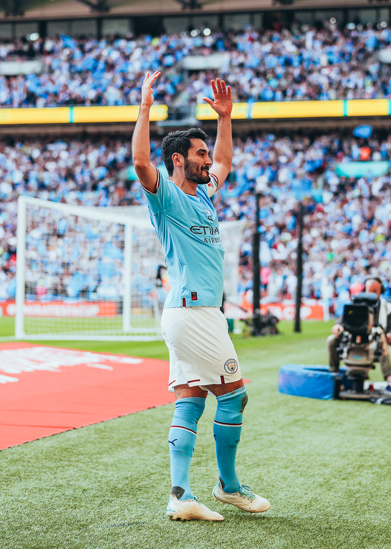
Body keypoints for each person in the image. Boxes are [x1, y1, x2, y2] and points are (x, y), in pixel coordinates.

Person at [133, 72, 269, 522]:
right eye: (200, 153)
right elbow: (138, 163)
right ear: (178, 159)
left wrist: (225, 120)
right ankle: (228, 487)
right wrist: (145, 107)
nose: (208, 159)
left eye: (207, 152)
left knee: (190, 398)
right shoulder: (167, 196)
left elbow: (226, 162)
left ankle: (180, 496)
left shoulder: (206, 196)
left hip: (193, 312)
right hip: (193, 312)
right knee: (233, 396)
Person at [327, 277, 391, 385]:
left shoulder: (386, 307)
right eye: (370, 290)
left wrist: (390, 335)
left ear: (381, 291)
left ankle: (390, 379)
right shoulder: (356, 302)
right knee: (331, 340)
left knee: (382, 339)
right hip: (352, 336)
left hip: (374, 339)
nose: (372, 293)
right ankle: (334, 374)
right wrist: (337, 326)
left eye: (375, 291)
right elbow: (343, 318)